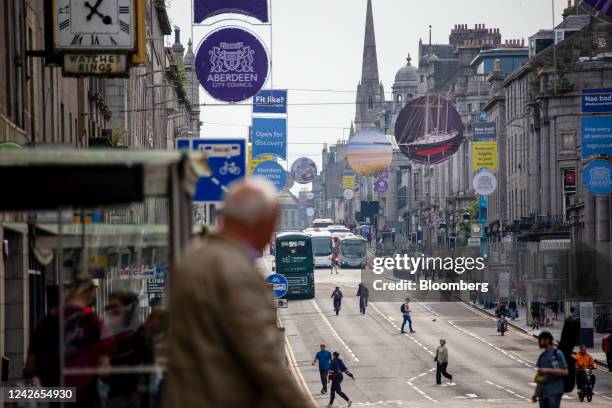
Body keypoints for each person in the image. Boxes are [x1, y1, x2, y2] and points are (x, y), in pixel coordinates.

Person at [164, 179, 311, 408]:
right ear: (260, 223)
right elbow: (263, 360)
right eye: (273, 224)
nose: (273, 232)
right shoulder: (234, 271)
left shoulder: (195, 257)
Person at [23, 274, 108, 407]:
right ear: (91, 294)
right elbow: (104, 369)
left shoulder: (45, 322)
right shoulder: (95, 323)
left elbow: (29, 367)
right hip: (85, 400)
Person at [532, 331, 568, 408]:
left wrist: (547, 370)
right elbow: (540, 378)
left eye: (540, 340)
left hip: (554, 390)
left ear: (547, 340)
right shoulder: (542, 356)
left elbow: (565, 371)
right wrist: (535, 394)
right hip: (543, 392)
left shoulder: (557, 353)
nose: (539, 343)